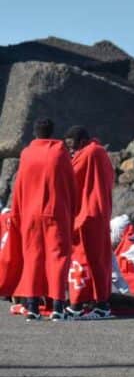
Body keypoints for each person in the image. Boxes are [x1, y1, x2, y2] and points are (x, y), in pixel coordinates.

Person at [11, 118, 77, 321]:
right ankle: (58, 305)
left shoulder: (27, 153)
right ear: (52, 132)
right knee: (58, 257)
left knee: (32, 256)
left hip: (30, 213)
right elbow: (70, 184)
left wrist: (17, 212)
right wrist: (71, 211)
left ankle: (32, 306)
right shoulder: (59, 152)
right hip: (55, 212)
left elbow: (19, 185)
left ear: (35, 132)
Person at [64, 125, 115, 319]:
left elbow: (70, 176)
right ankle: (98, 302)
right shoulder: (99, 152)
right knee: (97, 261)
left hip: (89, 215)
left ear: (82, 141)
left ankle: (83, 304)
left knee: (84, 259)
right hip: (98, 213)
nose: (71, 150)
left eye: (72, 145)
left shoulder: (90, 153)